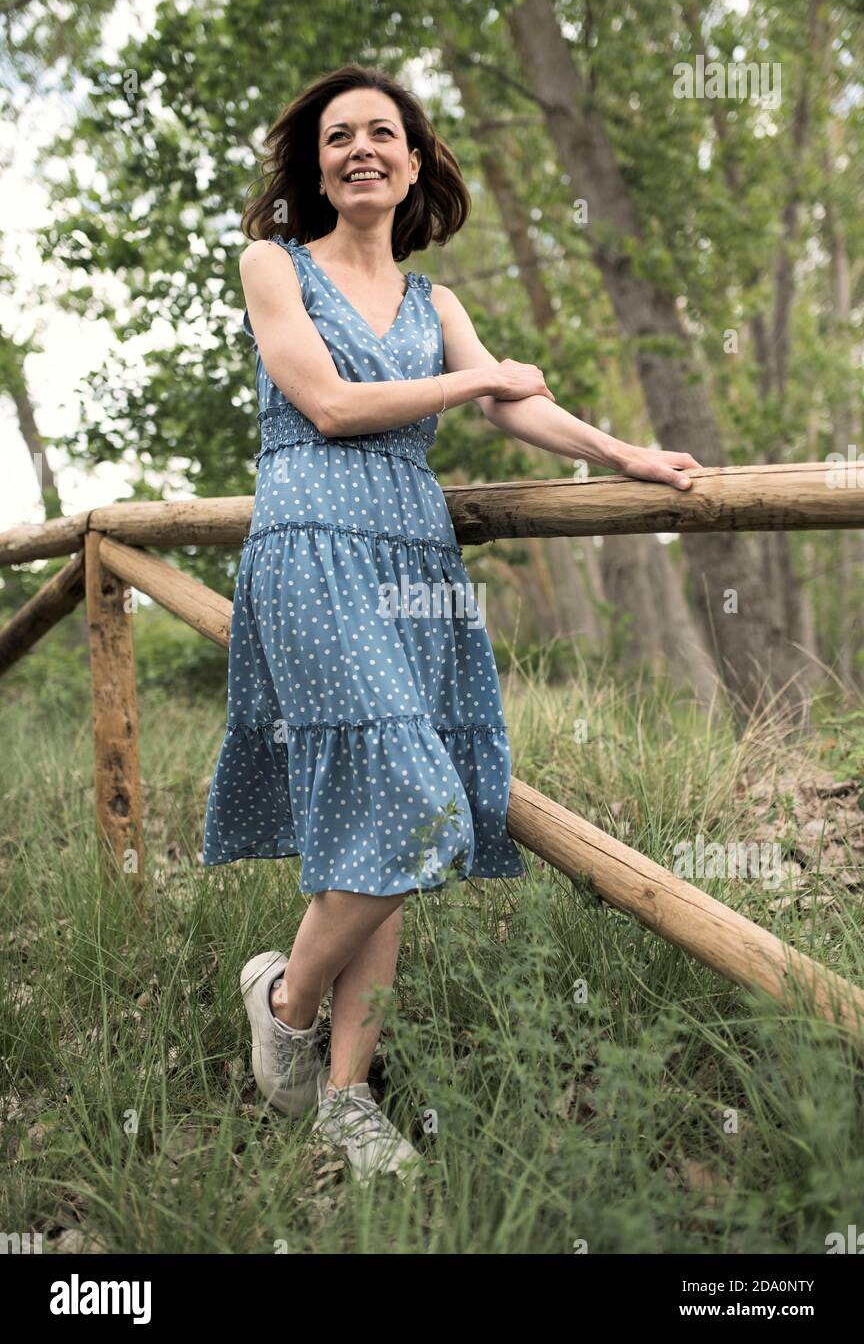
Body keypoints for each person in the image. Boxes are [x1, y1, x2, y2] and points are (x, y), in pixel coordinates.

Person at [203, 63, 702, 1186]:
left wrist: (624, 452)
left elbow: (515, 401)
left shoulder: (437, 306)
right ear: (316, 166)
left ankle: (344, 1100)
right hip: (314, 547)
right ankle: (282, 1000)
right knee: (414, 801)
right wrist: (466, 385)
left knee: (387, 822)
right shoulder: (272, 264)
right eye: (340, 137)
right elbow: (328, 404)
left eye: (386, 133)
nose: (362, 149)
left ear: (416, 161)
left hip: (415, 561)